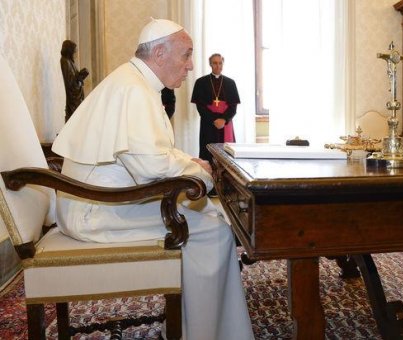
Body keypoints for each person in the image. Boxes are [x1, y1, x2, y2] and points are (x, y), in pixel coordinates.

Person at [51, 19, 254, 340]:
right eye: (186, 55)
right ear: (159, 52)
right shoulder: (134, 89)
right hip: (95, 211)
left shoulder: (132, 82)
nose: (190, 66)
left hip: (92, 200)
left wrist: (188, 162)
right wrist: (202, 171)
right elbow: (151, 168)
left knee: (206, 215)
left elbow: (147, 155)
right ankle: (204, 333)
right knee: (213, 230)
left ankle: (199, 324)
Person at [191, 53, 240, 163]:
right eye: (215, 63)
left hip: (225, 123)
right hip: (208, 124)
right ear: (210, 64)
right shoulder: (201, 82)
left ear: (223, 64)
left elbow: (233, 107)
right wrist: (214, 119)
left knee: (227, 156)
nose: (218, 66)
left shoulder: (230, 83)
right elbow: (200, 107)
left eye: (220, 63)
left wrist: (224, 119)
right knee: (207, 154)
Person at [60, 40, 89, 121]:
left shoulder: (70, 62)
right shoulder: (65, 61)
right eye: (73, 51)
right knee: (74, 118)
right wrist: (79, 77)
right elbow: (70, 82)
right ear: (69, 50)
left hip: (76, 93)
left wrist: (81, 76)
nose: (74, 53)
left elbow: (74, 78)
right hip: (73, 96)